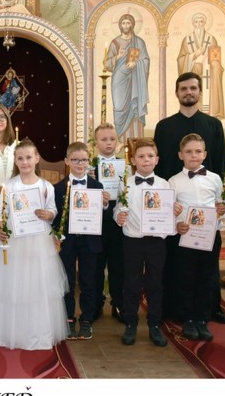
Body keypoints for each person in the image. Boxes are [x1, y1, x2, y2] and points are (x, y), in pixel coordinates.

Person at [154, 71, 225, 324]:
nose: (188, 92)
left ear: (200, 91)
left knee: (208, 264)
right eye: (184, 88)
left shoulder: (213, 125)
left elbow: (220, 163)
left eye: (193, 88)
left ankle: (212, 308)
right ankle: (173, 309)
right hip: (176, 208)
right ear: (177, 93)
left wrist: (217, 201)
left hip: (206, 208)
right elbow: (159, 167)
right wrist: (166, 203)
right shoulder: (164, 127)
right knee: (176, 261)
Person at [0, 138, 69, 350]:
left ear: (37, 158)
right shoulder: (9, 186)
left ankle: (38, 333)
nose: (25, 162)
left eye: (29, 157)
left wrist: (48, 214)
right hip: (15, 240)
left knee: (37, 286)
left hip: (39, 241)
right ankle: (12, 332)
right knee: (14, 285)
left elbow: (53, 210)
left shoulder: (45, 186)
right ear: (15, 161)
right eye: (20, 158)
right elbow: (1, 213)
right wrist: (0, 225)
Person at [115, 138, 176, 347]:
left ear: (157, 159)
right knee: (131, 283)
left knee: (155, 284)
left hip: (156, 243)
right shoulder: (125, 183)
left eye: (150, 156)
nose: (146, 160)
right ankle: (130, 323)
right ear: (133, 160)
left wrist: (174, 211)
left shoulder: (165, 184)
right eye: (141, 156)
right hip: (132, 241)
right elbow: (118, 207)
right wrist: (118, 216)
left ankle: (154, 325)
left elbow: (169, 212)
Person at [169, 134, 225, 343]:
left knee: (207, 277)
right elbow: (170, 210)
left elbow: (220, 204)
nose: (193, 155)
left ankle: (203, 319)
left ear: (205, 154)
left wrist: (222, 210)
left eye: (198, 151)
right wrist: (177, 224)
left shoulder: (215, 178)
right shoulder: (174, 181)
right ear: (180, 155)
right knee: (186, 277)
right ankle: (188, 319)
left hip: (210, 236)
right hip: (185, 236)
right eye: (189, 152)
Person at [52, 141, 109, 340]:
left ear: (88, 161)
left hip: (90, 241)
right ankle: (68, 318)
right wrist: (56, 235)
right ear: (67, 161)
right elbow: (56, 216)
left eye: (84, 160)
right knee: (67, 280)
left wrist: (104, 205)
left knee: (89, 281)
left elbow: (102, 217)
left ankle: (87, 319)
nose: (80, 164)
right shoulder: (57, 188)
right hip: (67, 241)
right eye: (75, 160)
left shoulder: (97, 186)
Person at [92, 123, 126, 323]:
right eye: (104, 139)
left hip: (118, 225)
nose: (108, 143)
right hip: (96, 225)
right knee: (96, 266)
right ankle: (96, 304)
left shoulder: (125, 167)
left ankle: (118, 304)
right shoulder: (89, 167)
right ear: (96, 142)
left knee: (118, 266)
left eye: (112, 139)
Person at [105, 13, 150, 153]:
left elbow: (145, 60)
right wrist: (117, 57)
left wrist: (136, 64)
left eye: (128, 23)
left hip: (135, 79)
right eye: (123, 23)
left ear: (132, 25)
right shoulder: (115, 43)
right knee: (119, 107)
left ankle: (136, 142)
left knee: (134, 107)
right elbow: (107, 64)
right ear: (120, 25)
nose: (126, 26)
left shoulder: (139, 42)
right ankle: (120, 140)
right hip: (119, 79)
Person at [177, 13, 225, 119]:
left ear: (205, 23)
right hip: (192, 72)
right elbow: (181, 59)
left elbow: (216, 58)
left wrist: (211, 62)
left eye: (201, 21)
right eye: (196, 22)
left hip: (207, 74)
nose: (199, 24)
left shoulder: (211, 39)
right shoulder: (187, 40)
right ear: (193, 23)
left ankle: (211, 113)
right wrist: (195, 54)